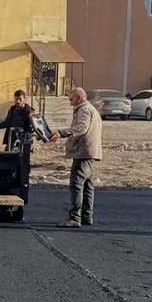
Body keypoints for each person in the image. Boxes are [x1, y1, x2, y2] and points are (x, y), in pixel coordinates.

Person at [50, 87, 102, 228]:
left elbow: (81, 128)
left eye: (71, 99)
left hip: (83, 153)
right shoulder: (91, 109)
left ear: (80, 98)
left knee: (77, 185)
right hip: (91, 152)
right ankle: (87, 215)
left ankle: (74, 217)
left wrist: (62, 132)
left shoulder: (84, 110)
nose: (70, 103)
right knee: (88, 185)